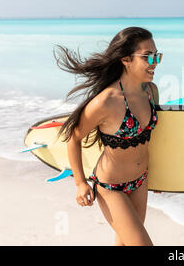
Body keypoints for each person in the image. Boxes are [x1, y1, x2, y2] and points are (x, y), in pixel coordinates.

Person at [54, 27, 163, 246]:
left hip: (140, 182)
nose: (154, 62)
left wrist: (161, 175)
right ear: (126, 60)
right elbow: (73, 138)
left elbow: (155, 140)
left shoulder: (150, 91)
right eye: (148, 56)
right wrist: (80, 183)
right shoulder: (106, 101)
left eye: (157, 56)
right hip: (112, 188)